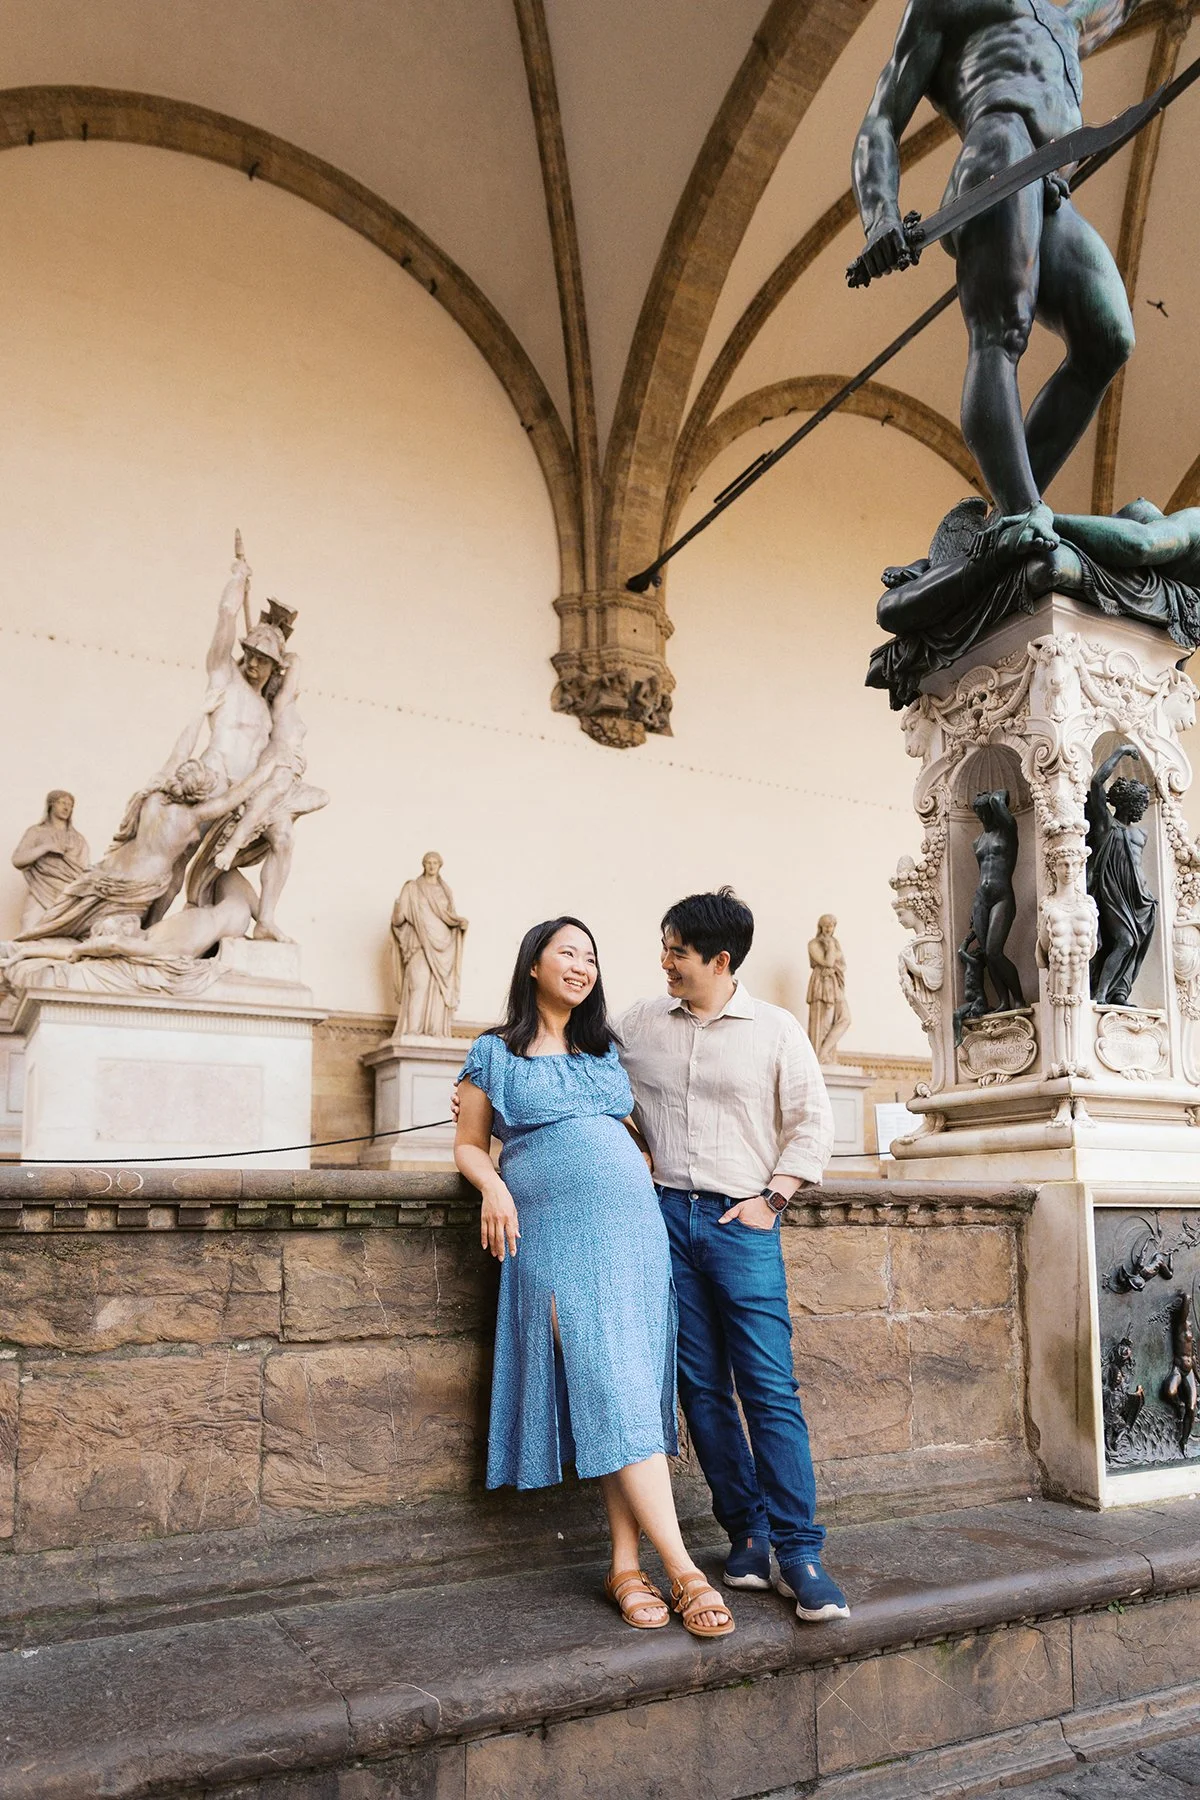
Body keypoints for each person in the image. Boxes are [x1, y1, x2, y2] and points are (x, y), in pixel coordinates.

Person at [454, 917, 734, 1639]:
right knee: (609, 1385)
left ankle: (624, 1567)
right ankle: (685, 1570)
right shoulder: (493, 1054)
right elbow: (468, 1143)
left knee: (629, 1394)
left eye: (590, 956)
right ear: (534, 966)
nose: (581, 966)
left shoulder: (606, 1049)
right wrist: (493, 1186)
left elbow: (643, 1122)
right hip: (551, 1237)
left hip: (632, 1240)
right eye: (566, 953)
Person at [619, 890, 848, 1623]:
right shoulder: (640, 1024)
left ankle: (800, 1553)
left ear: (721, 961)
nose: (665, 962)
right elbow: (582, 1064)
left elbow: (812, 1125)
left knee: (768, 1387)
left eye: (677, 951)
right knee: (701, 1390)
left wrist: (772, 1200)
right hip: (662, 1217)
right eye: (665, 946)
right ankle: (745, 1533)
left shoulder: (777, 1031)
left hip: (740, 1219)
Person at [853, 0, 1138, 535]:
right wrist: (880, 217)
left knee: (1109, 339)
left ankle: (1003, 516)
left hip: (1056, 185)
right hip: (1000, 148)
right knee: (1001, 331)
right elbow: (882, 120)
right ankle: (1023, 515)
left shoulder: (1064, 22)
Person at [391, 852, 468, 1037]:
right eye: (428, 862)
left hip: (444, 948)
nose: (432, 866)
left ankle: (435, 1030)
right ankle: (412, 1029)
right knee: (419, 984)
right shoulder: (412, 888)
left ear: (440, 866)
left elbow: (450, 917)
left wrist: (460, 925)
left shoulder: (445, 890)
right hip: (420, 944)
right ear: (423, 865)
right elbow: (399, 919)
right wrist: (397, 911)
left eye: (435, 863)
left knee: (439, 992)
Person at [11, 791, 90, 932]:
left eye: (70, 805)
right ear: (51, 805)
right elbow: (18, 860)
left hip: (68, 894)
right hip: (40, 890)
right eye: (62, 802)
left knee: (72, 934)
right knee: (28, 926)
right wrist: (45, 847)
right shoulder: (36, 832)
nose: (66, 807)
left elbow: (85, 872)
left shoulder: (78, 839)